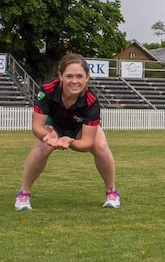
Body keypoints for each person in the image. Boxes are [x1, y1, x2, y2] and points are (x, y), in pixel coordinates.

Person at [15, 53, 121, 211]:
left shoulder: (91, 101)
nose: (74, 81)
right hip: (54, 125)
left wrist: (70, 141)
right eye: (69, 76)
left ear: (87, 77)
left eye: (79, 76)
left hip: (79, 128)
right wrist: (47, 135)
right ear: (60, 76)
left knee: (101, 146)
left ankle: (112, 192)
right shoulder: (47, 90)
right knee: (42, 147)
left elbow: (86, 143)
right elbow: (37, 126)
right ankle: (23, 194)